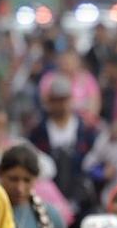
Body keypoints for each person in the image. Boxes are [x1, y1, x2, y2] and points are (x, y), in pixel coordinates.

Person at [27, 74, 99, 220]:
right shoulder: (38, 131)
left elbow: (94, 160)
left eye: (64, 99)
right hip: (49, 196)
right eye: (56, 100)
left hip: (80, 197)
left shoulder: (85, 129)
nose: (61, 104)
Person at [40, 49, 101, 126]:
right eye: (65, 62)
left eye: (71, 62)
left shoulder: (87, 78)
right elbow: (46, 103)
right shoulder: (49, 79)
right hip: (56, 123)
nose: (68, 65)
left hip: (84, 124)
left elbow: (95, 104)